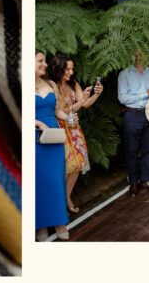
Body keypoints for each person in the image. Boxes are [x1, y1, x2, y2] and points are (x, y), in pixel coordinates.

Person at [48, 56, 103, 213]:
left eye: (72, 69)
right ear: (58, 68)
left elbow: (85, 104)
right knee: (66, 165)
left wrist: (96, 95)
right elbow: (61, 111)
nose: (71, 72)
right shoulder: (51, 86)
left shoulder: (73, 84)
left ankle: (67, 196)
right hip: (59, 127)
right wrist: (81, 101)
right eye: (68, 69)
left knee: (78, 164)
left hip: (73, 128)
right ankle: (59, 200)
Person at [117, 51, 149, 197]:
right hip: (132, 114)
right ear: (133, 55)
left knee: (148, 149)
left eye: (145, 53)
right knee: (132, 151)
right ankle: (133, 183)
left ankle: (146, 180)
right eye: (139, 53)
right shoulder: (124, 74)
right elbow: (122, 98)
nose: (143, 56)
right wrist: (145, 94)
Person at [35, 50, 69, 241]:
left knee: (56, 180)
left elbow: (58, 111)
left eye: (44, 61)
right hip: (34, 139)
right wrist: (37, 124)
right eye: (40, 60)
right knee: (39, 182)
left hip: (53, 138)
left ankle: (60, 222)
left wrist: (69, 117)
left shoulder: (50, 85)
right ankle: (40, 225)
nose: (45, 64)